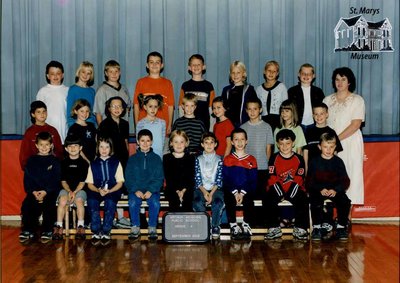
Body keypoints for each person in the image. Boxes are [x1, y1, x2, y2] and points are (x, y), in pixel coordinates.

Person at [323, 67, 365, 206]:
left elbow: (355, 124)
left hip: (350, 142)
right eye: (337, 79)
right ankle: (330, 214)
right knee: (331, 176)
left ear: (349, 82)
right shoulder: (327, 100)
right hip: (329, 144)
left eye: (343, 79)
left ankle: (347, 216)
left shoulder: (357, 100)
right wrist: (330, 143)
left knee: (351, 174)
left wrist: (336, 140)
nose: (339, 82)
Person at [264, 129, 309, 241]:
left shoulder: (299, 159)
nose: (285, 147)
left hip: (294, 188)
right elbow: (272, 178)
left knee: (303, 198)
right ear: (278, 145)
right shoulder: (274, 158)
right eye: (281, 144)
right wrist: (281, 194)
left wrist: (289, 195)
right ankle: (274, 228)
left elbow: (299, 179)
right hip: (277, 188)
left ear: (293, 143)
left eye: (288, 143)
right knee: (268, 198)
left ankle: (300, 228)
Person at [306, 132, 351, 241]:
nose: (328, 150)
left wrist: (336, 190)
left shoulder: (338, 162)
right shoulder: (314, 162)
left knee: (345, 202)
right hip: (318, 190)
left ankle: (341, 227)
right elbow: (308, 181)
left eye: (331, 147)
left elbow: (345, 180)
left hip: (334, 190)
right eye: (325, 147)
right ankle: (316, 227)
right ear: (319, 147)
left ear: (335, 147)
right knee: (315, 201)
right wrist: (319, 189)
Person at [19, 132, 61, 242]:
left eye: (47, 145)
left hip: (49, 191)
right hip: (34, 191)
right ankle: (28, 229)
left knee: (49, 205)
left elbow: (56, 179)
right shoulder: (31, 160)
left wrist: (45, 191)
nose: (44, 147)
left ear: (51, 145)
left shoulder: (55, 161)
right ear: (36, 145)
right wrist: (33, 191)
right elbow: (28, 179)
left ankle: (47, 230)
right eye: (41, 145)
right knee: (27, 204)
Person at [125, 129, 164, 241]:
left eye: (148, 141)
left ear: (151, 142)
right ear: (138, 141)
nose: (145, 143)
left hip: (152, 190)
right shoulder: (132, 159)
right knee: (132, 202)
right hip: (136, 190)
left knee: (155, 203)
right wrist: (135, 190)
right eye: (142, 141)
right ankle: (135, 227)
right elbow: (129, 177)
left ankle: (152, 227)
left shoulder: (156, 159)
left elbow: (159, 178)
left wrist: (151, 190)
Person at [86, 136, 124, 244]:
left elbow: (120, 182)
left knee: (110, 203)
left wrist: (110, 191)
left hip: (112, 190)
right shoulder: (93, 164)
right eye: (101, 147)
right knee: (92, 202)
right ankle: (96, 230)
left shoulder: (116, 163)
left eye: (107, 147)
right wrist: (98, 190)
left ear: (111, 149)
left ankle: (106, 231)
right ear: (98, 148)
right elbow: (89, 184)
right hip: (96, 189)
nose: (104, 150)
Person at [223, 128, 257, 240]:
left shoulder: (252, 159)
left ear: (246, 141)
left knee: (249, 199)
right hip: (231, 190)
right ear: (232, 142)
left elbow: (253, 180)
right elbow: (226, 179)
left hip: (246, 190)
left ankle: (246, 225)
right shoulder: (228, 159)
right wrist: (234, 192)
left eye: (242, 139)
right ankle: (233, 225)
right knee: (228, 199)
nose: (240, 142)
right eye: (236, 139)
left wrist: (242, 193)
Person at [53, 135, 89, 240]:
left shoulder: (84, 163)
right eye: (70, 146)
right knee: (63, 200)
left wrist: (75, 192)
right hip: (66, 189)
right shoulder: (63, 163)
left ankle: (80, 226)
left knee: (79, 200)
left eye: (76, 146)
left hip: (80, 189)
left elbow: (82, 183)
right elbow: (63, 181)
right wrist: (69, 191)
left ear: (80, 148)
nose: (73, 149)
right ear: (66, 148)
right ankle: (59, 226)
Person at [193, 132, 224, 239]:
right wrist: (205, 192)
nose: (209, 145)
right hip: (201, 188)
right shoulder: (198, 159)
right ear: (202, 144)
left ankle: (215, 225)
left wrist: (211, 193)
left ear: (215, 144)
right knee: (197, 202)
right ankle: (204, 224)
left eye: (212, 142)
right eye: (206, 143)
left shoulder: (219, 159)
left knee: (218, 202)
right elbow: (197, 177)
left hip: (216, 188)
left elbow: (219, 178)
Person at [240, 97, 274, 199]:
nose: (252, 111)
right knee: (249, 197)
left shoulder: (267, 127)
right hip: (248, 168)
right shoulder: (243, 128)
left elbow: (268, 148)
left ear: (260, 110)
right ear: (246, 111)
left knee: (262, 196)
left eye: (255, 109)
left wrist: (267, 164)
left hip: (262, 168)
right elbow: (241, 149)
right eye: (249, 109)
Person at [133, 51, 174, 134]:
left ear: (162, 65)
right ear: (147, 65)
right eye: (151, 62)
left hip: (162, 127)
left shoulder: (168, 83)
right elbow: (136, 105)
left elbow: (171, 106)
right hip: (144, 126)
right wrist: (137, 124)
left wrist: (169, 125)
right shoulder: (140, 82)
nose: (154, 65)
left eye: (157, 62)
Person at [19, 101, 63, 170]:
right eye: (38, 112)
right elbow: (24, 156)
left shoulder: (53, 130)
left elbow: (60, 152)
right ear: (33, 114)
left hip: (52, 168)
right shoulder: (29, 132)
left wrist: (56, 166)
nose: (42, 114)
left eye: (44, 111)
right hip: (36, 168)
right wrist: (29, 169)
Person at [179, 54, 215, 131]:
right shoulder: (185, 85)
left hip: (204, 125)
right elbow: (181, 107)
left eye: (198, 64)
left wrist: (211, 129)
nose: (196, 67)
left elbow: (211, 109)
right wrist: (182, 124)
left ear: (204, 67)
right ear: (189, 68)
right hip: (187, 126)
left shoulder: (209, 86)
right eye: (193, 65)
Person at [303, 102, 342, 172]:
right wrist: (306, 169)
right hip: (312, 170)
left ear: (327, 114)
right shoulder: (308, 131)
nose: (319, 116)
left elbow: (335, 152)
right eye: (316, 114)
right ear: (313, 116)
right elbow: (305, 152)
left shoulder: (331, 132)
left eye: (321, 114)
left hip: (328, 169)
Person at [163, 130, 195, 212]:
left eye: (182, 142)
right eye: (176, 142)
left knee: (188, 199)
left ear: (186, 143)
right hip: (172, 188)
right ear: (171, 143)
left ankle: (188, 223)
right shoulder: (166, 158)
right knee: (174, 200)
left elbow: (190, 177)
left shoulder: (190, 158)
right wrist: (177, 191)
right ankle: (175, 223)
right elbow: (168, 177)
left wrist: (183, 191)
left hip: (187, 188)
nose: (179, 145)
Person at [36, 60, 68, 141]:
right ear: (48, 76)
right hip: (47, 132)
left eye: (58, 73)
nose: (55, 76)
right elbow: (38, 113)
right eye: (52, 74)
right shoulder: (42, 91)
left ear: (62, 75)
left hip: (64, 131)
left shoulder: (68, 90)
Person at [288, 63, 325, 130]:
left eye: (309, 74)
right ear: (299, 74)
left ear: (313, 76)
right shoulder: (292, 91)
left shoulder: (318, 91)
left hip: (314, 124)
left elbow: (323, 109)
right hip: (297, 125)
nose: (306, 75)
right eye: (303, 73)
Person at [94, 60, 131, 125]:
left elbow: (127, 108)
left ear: (119, 73)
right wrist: (101, 130)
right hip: (108, 129)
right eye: (111, 71)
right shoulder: (102, 90)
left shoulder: (124, 89)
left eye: (116, 71)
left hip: (122, 128)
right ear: (106, 73)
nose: (114, 74)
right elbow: (98, 113)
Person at [221, 60, 257, 127]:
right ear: (230, 74)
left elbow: (255, 108)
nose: (235, 75)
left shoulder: (249, 89)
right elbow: (222, 109)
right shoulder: (226, 90)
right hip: (229, 126)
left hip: (245, 125)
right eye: (233, 73)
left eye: (238, 72)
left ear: (243, 73)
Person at [97, 96, 130, 168]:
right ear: (109, 108)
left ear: (122, 108)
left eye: (119, 106)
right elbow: (101, 143)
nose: (117, 108)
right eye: (114, 106)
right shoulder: (104, 124)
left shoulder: (125, 123)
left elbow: (126, 140)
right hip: (110, 157)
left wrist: (128, 154)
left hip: (123, 157)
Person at [256, 60, 288, 131]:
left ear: (277, 73)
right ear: (264, 71)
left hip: (278, 120)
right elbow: (257, 107)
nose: (271, 73)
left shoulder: (281, 87)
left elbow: (286, 105)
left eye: (274, 71)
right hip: (264, 121)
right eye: (269, 70)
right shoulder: (259, 89)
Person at [66, 61, 96, 127]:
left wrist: (93, 126)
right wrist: (73, 127)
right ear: (79, 72)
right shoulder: (72, 89)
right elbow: (69, 113)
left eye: (88, 73)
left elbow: (93, 112)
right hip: (76, 125)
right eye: (83, 72)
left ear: (91, 76)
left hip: (90, 126)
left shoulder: (92, 91)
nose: (85, 75)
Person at [136, 94, 166, 158]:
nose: (153, 109)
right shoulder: (140, 123)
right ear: (145, 107)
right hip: (145, 156)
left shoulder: (162, 123)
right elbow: (138, 142)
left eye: (155, 106)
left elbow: (163, 142)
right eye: (150, 106)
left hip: (158, 155)